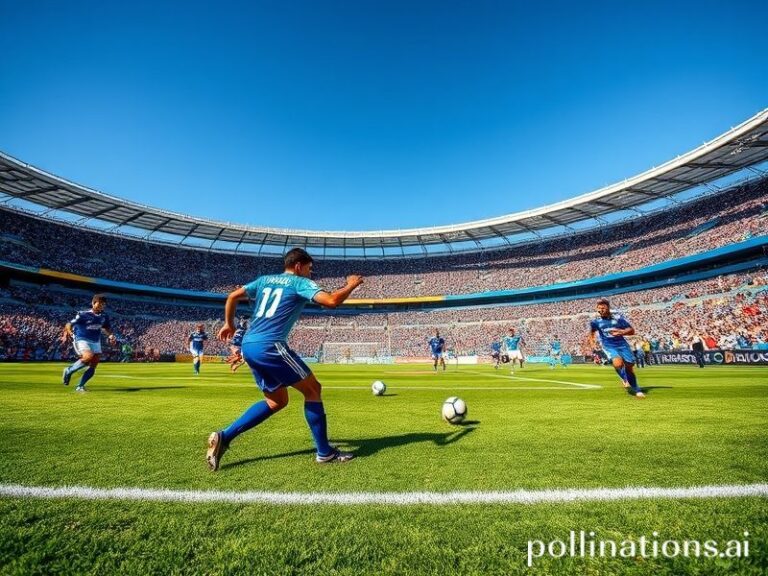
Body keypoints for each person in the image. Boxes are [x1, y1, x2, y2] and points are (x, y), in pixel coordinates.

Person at [206, 248, 363, 471]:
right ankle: (324, 453)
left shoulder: (263, 280)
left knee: (276, 401)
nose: (310, 274)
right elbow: (331, 301)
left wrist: (229, 324)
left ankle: (225, 436)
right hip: (271, 345)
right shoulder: (298, 282)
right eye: (309, 269)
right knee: (313, 389)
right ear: (298, 266)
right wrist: (351, 284)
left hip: (249, 345)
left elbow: (232, 296)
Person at [589, 298, 644, 398]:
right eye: (599, 308)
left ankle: (627, 377)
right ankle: (636, 389)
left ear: (608, 308)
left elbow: (631, 330)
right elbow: (592, 333)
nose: (600, 310)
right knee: (617, 363)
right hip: (608, 345)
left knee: (629, 366)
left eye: (603, 308)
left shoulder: (618, 318)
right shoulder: (595, 322)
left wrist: (621, 332)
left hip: (623, 345)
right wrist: (592, 342)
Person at [60, 294, 116, 393]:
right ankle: (69, 370)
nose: (101, 306)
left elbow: (106, 328)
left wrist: (110, 336)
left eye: (103, 304)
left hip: (95, 341)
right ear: (93, 303)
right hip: (82, 339)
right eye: (100, 304)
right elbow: (69, 324)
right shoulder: (83, 314)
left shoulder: (104, 316)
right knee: (88, 357)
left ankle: (80, 386)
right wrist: (68, 332)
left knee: (94, 363)